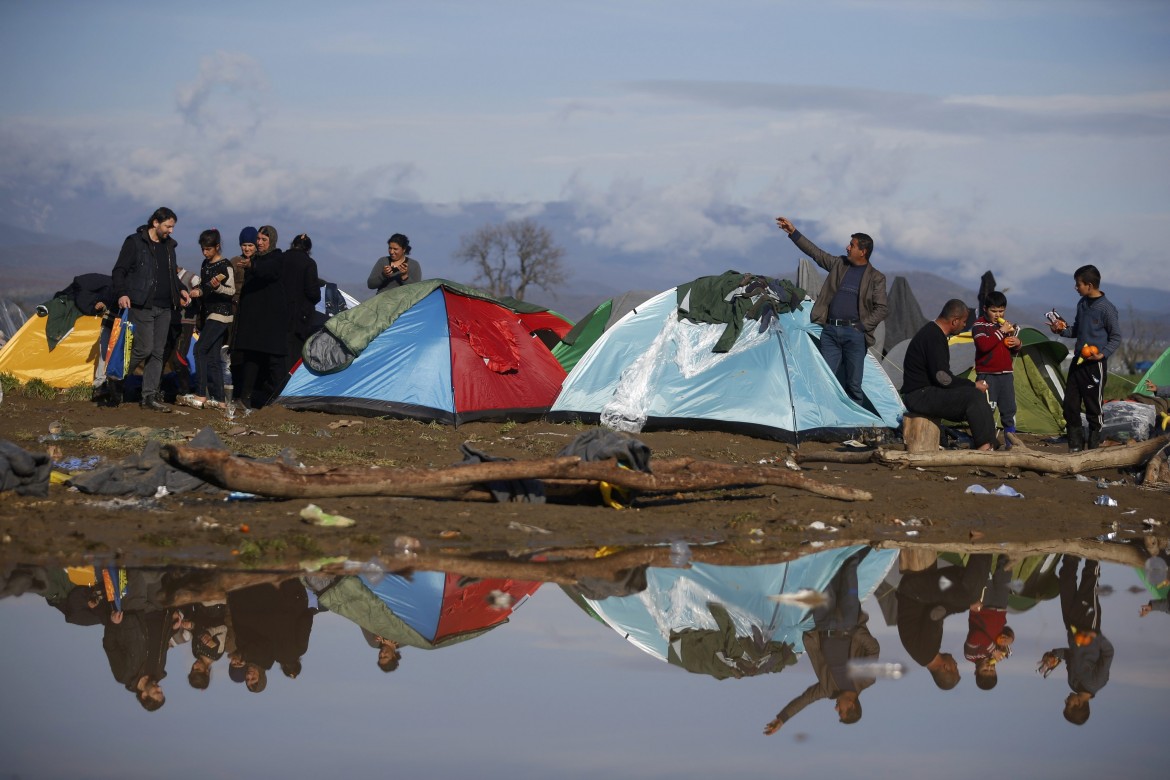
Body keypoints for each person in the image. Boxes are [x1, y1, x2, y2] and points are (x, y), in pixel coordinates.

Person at [775, 216, 887, 405]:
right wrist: (793, 233)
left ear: (863, 251)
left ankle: (855, 424)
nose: (847, 247)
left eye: (852, 245)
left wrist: (861, 326)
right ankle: (825, 421)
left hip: (855, 335)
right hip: (831, 332)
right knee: (824, 380)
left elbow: (882, 308)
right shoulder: (839, 265)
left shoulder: (876, 278)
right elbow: (816, 253)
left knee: (853, 384)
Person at [764, 551, 878, 734]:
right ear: (851, 705)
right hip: (848, 622)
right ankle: (869, 540)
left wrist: (782, 718)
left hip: (823, 623)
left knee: (823, 575)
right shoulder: (867, 679)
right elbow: (873, 649)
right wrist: (854, 631)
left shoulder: (828, 689)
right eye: (840, 711)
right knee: (849, 568)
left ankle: (821, 544)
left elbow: (805, 699)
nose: (835, 708)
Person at [110, 207, 191, 412]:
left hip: (165, 307)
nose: (171, 231)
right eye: (168, 226)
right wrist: (122, 293)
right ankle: (116, 378)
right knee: (143, 349)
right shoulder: (135, 243)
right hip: (141, 303)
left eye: (172, 227)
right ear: (155, 223)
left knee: (157, 352)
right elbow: (119, 270)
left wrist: (181, 289)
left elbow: (171, 274)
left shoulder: (169, 247)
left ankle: (149, 396)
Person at [901, 299, 997, 450]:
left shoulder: (932, 332)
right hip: (919, 395)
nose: (965, 325)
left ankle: (991, 444)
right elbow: (943, 378)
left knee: (972, 394)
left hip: (925, 392)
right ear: (954, 321)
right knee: (974, 396)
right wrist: (973, 385)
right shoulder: (933, 337)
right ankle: (985, 447)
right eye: (964, 322)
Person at [1048, 265, 1121, 451]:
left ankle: (1094, 451)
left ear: (1089, 285)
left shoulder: (1107, 309)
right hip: (1078, 362)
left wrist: (1102, 354)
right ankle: (1075, 449)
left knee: (1093, 408)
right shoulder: (1082, 304)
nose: (1075, 287)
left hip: (1095, 366)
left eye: (1078, 284)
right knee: (1069, 405)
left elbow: (1116, 337)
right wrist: (1061, 330)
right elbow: (1077, 330)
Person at [1037, 555, 1113, 725]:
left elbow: (1070, 655)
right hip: (1088, 623)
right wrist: (1095, 636)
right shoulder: (1097, 682)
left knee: (1065, 578)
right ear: (1078, 704)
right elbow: (1109, 653)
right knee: (1090, 577)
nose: (1066, 701)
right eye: (1068, 705)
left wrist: (1053, 655)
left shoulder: (1072, 684)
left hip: (1070, 625)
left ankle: (1072, 547)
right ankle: (1095, 540)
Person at [232, 225, 287, 409]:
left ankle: (280, 401)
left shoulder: (277, 257)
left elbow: (268, 270)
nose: (260, 243)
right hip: (253, 322)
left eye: (264, 240)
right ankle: (245, 398)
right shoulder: (253, 259)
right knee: (251, 359)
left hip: (270, 322)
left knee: (274, 362)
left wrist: (252, 265)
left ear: (271, 241)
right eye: (259, 239)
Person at [181, 229, 236, 409]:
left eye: (208, 249)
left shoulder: (225, 265)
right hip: (209, 314)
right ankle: (220, 400)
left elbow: (231, 291)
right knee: (212, 357)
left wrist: (219, 287)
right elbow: (205, 287)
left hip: (222, 315)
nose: (205, 253)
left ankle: (200, 394)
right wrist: (199, 292)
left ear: (217, 247)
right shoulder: (205, 264)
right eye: (203, 249)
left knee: (199, 349)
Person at [972, 291, 1022, 443]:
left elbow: (1012, 349)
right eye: (993, 311)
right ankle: (984, 443)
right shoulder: (979, 326)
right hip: (987, 375)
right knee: (986, 411)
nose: (997, 314)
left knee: (1008, 411)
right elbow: (984, 346)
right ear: (985, 309)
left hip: (1006, 375)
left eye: (1001, 311)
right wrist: (1001, 331)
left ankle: (1011, 443)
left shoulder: (1007, 326)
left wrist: (1018, 344)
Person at [963, 555, 1014, 691]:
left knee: (985, 571)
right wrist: (1009, 639)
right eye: (992, 671)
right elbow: (1007, 632)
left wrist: (994, 650)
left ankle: (985, 544)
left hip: (983, 606)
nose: (989, 667)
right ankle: (1006, 543)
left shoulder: (970, 655)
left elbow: (976, 636)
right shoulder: (999, 655)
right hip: (1001, 607)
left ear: (976, 672)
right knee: (1006, 567)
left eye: (985, 670)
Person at [279, 233, 321, 380]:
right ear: (308, 249)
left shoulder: (281, 258)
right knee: (294, 353)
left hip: (280, 312)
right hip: (299, 318)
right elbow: (313, 293)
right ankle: (286, 386)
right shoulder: (309, 263)